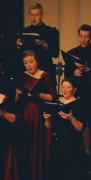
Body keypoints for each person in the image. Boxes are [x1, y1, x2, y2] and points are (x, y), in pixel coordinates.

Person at [64, 24, 91, 172]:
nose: (83, 39)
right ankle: (77, 163)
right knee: (76, 130)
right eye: (81, 36)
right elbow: (66, 76)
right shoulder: (71, 53)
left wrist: (88, 69)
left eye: (86, 36)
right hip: (77, 97)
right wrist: (74, 73)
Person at [15, 50, 56, 180]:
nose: (29, 65)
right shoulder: (21, 76)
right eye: (26, 63)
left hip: (38, 113)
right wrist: (17, 93)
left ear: (37, 61)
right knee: (24, 147)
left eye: (31, 62)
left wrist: (37, 95)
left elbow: (52, 97)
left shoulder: (45, 75)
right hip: (24, 113)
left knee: (37, 145)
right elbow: (15, 101)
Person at [43, 78, 87, 180]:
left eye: (68, 87)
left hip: (73, 145)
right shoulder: (56, 103)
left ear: (74, 89)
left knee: (72, 173)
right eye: (63, 87)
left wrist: (71, 118)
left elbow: (80, 127)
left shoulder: (80, 104)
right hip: (58, 143)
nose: (65, 90)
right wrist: (48, 119)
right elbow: (48, 126)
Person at [16, 3, 60, 86]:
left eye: (36, 15)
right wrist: (18, 46)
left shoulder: (52, 32)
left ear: (42, 15)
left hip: (44, 71)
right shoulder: (24, 31)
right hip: (28, 73)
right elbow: (19, 55)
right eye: (31, 15)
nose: (33, 18)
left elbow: (55, 54)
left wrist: (45, 45)